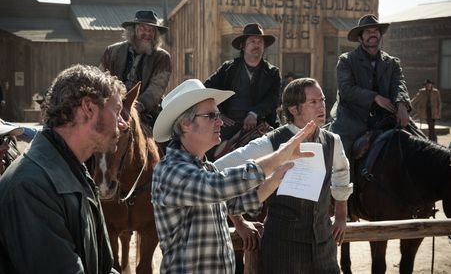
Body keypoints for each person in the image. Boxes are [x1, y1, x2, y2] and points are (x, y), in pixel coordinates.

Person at [151, 79, 316, 273]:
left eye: (218, 115)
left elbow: (237, 203)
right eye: (211, 116)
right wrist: (279, 156)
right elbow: (219, 187)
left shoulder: (207, 168)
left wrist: (276, 177)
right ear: (185, 124)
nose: (220, 121)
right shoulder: (170, 171)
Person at [215, 78, 353, 273]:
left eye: (322, 100)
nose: (321, 106)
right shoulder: (271, 142)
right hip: (282, 247)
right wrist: (238, 220)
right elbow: (218, 171)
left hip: (323, 246)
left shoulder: (332, 141)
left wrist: (341, 213)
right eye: (312, 102)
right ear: (293, 109)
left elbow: (342, 171)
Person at [0, 64, 128, 273]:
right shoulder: (31, 187)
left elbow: (102, 268)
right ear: (88, 108)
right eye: (117, 111)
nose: (123, 124)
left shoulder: (75, 172)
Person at [330, 14, 412, 170]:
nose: (372, 34)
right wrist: (375, 97)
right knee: (341, 155)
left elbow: (399, 84)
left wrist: (401, 104)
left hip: (386, 115)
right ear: (360, 38)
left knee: (418, 142)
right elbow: (346, 89)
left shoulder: (392, 63)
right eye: (367, 32)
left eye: (375, 30)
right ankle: (344, 190)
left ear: (380, 35)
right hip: (353, 117)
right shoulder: (346, 60)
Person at [204, 23, 281, 141]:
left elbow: (273, 99)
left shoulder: (272, 72)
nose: (257, 45)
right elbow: (207, 89)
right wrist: (218, 114)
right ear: (243, 46)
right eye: (252, 41)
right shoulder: (228, 69)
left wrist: (254, 113)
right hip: (228, 128)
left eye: (260, 42)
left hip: (260, 126)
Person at [100, 10, 172, 127]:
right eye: (143, 28)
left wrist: (135, 106)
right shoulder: (112, 52)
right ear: (133, 31)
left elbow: (156, 89)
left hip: (145, 112)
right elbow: (102, 81)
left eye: (151, 30)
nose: (147, 33)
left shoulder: (162, 57)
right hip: (112, 107)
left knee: (160, 140)